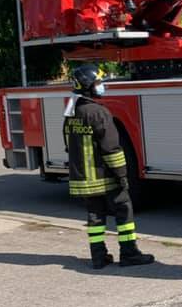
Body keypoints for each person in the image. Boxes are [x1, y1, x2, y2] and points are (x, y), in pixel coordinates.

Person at [63, 64, 155, 269]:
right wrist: (122, 175)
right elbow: (112, 148)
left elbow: (68, 143)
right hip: (104, 175)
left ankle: (98, 256)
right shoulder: (99, 113)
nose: (102, 86)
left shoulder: (72, 111)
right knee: (124, 209)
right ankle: (129, 252)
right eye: (98, 82)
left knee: (95, 215)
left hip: (82, 177)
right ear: (87, 86)